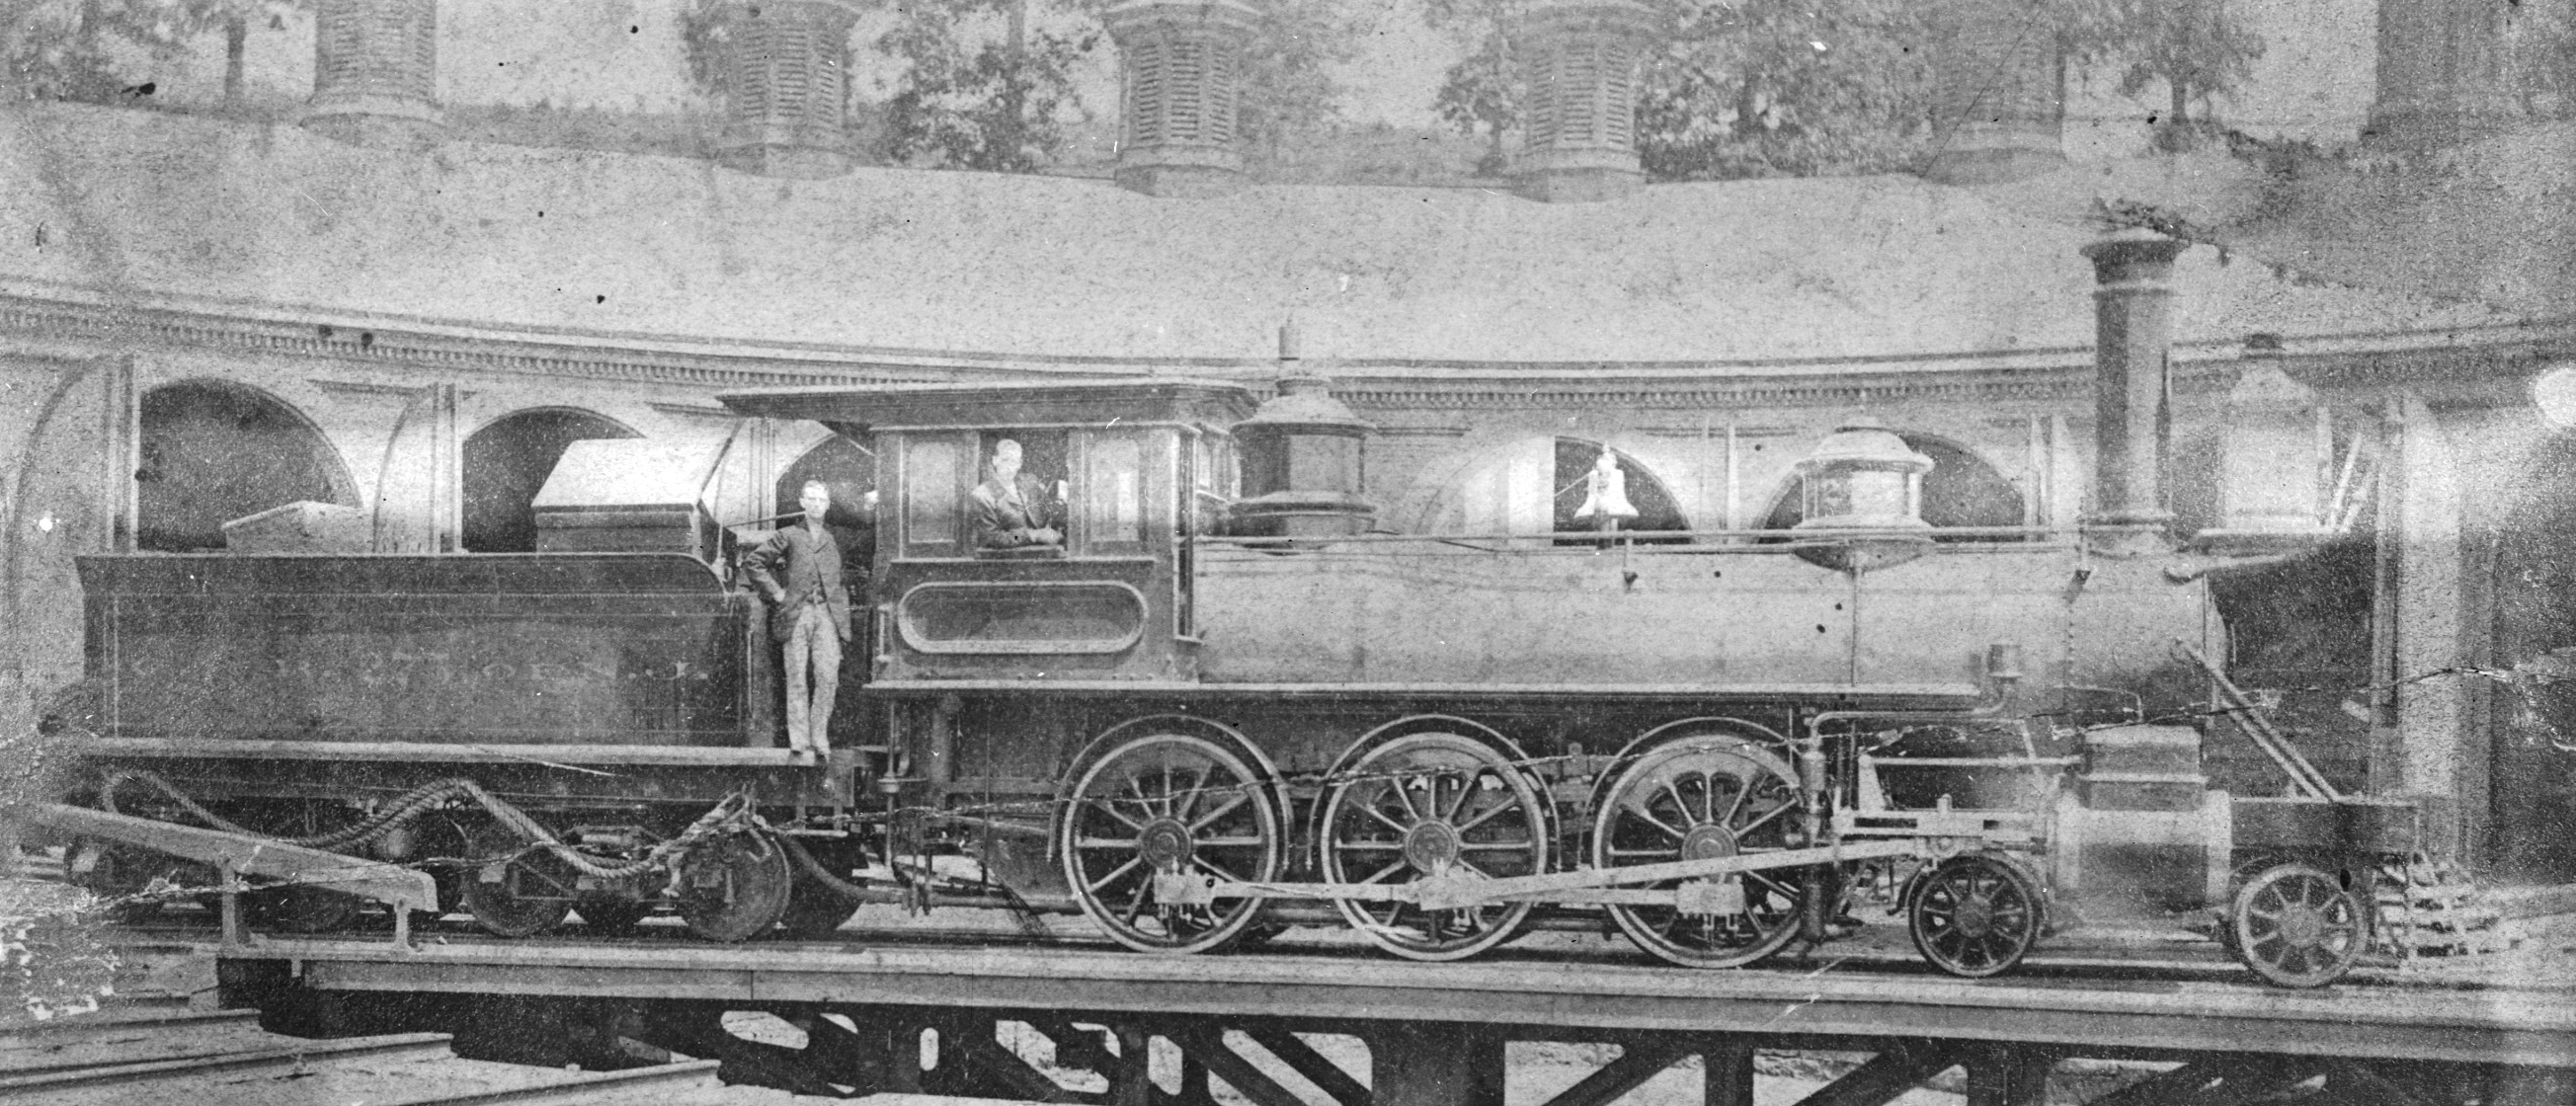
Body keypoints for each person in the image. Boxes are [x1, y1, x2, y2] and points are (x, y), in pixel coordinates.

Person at [744, 480, 851, 758]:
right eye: (811, 499)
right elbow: (754, 563)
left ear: (828, 505)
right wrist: (777, 593)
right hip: (796, 614)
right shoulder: (789, 534)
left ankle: (819, 736)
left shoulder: (836, 537)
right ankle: (799, 739)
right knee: (797, 678)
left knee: (827, 677)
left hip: (827, 614)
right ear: (802, 503)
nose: (816, 505)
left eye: (821, 500)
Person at [970, 438, 1064, 551]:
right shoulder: (982, 495)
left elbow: (1051, 515)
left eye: (1014, 461)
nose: (1009, 467)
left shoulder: (1030, 486)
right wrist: (1032, 535)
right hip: (1007, 558)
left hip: (1043, 554)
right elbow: (991, 538)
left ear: (1020, 464)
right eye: (1005, 460)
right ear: (994, 460)